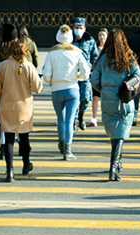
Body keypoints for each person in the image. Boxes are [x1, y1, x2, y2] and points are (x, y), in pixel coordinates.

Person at [90, 29, 140, 181]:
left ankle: (117, 162)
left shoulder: (102, 59)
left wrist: (104, 89)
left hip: (107, 100)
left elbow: (94, 80)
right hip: (124, 100)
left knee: (114, 133)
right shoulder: (129, 57)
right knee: (120, 134)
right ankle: (114, 166)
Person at [0, 38, 43, 182]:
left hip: (6, 107)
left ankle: (10, 171)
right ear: (26, 52)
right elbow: (37, 88)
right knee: (24, 137)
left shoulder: (3, 66)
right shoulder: (28, 66)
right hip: (24, 108)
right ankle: (26, 164)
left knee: (8, 138)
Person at [42, 24, 91, 160]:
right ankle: (68, 151)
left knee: (60, 119)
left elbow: (46, 74)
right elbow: (86, 73)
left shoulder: (52, 53)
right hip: (72, 89)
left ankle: (61, 144)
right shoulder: (77, 53)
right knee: (70, 120)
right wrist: (78, 78)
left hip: (56, 90)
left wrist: (52, 81)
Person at [0, 24, 20, 159]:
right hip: (15, 88)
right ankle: (17, 142)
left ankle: (3, 146)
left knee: (2, 118)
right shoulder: (18, 51)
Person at [72, 17, 99, 130]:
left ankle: (81, 116)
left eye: (80, 28)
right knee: (72, 99)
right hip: (72, 76)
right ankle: (73, 121)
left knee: (85, 98)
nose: (78, 30)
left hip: (85, 76)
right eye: (76, 27)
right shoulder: (68, 40)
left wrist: (92, 69)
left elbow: (95, 56)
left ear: (84, 28)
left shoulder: (90, 40)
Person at [89, 27, 109, 127]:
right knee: (95, 97)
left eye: (103, 35)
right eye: (100, 35)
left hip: (106, 75)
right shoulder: (95, 47)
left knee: (107, 97)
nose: (101, 37)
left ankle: (107, 117)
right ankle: (94, 117)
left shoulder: (109, 49)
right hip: (97, 75)